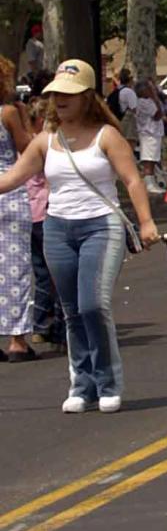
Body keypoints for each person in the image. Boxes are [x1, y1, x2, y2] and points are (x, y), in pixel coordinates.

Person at [0, 59, 160, 413]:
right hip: (58, 228)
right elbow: (11, 178)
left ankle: (107, 383)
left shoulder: (107, 136)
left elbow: (132, 180)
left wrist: (146, 222)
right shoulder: (46, 140)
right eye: (56, 94)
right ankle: (82, 384)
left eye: (68, 95)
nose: (60, 101)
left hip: (100, 227)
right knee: (72, 312)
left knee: (93, 305)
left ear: (88, 97)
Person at [0, 56, 36, 362]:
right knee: (15, 267)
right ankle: (17, 340)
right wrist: (25, 118)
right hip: (8, 191)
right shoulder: (8, 112)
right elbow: (26, 147)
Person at [26, 97, 65, 351]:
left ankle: (40, 324)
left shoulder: (25, 145)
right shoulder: (48, 146)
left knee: (41, 275)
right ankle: (61, 330)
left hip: (29, 214)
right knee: (60, 274)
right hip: (48, 213)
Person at [134, 79, 165, 194]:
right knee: (149, 159)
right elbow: (157, 114)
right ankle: (149, 183)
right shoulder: (143, 102)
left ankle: (153, 181)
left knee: (153, 159)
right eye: (150, 89)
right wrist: (155, 98)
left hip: (154, 133)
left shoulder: (148, 101)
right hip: (148, 133)